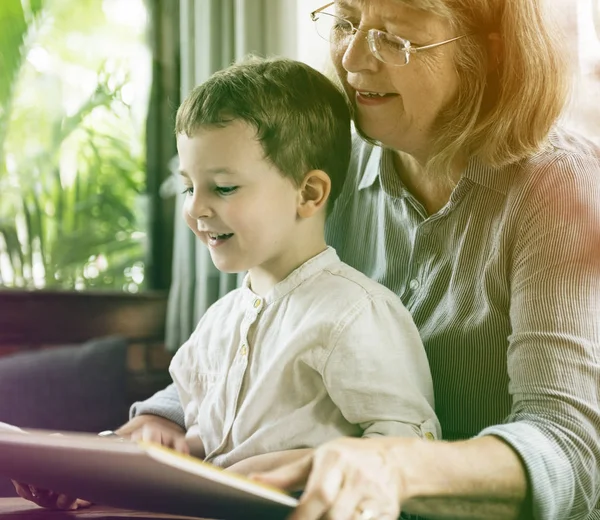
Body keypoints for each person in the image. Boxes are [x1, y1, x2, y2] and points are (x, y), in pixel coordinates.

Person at [121, 1, 600, 519]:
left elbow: (570, 451)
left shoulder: (562, 191)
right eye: (346, 22)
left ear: (491, 53)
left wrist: (393, 467)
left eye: (393, 37)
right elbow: (255, 343)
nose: (351, 59)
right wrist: (160, 423)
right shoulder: (321, 170)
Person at [13, 56, 441, 507]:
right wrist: (98, 467)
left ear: (309, 193)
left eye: (223, 188)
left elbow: (412, 447)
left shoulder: (354, 314)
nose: (196, 208)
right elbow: (196, 430)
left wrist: (312, 464)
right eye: (188, 187)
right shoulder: (220, 321)